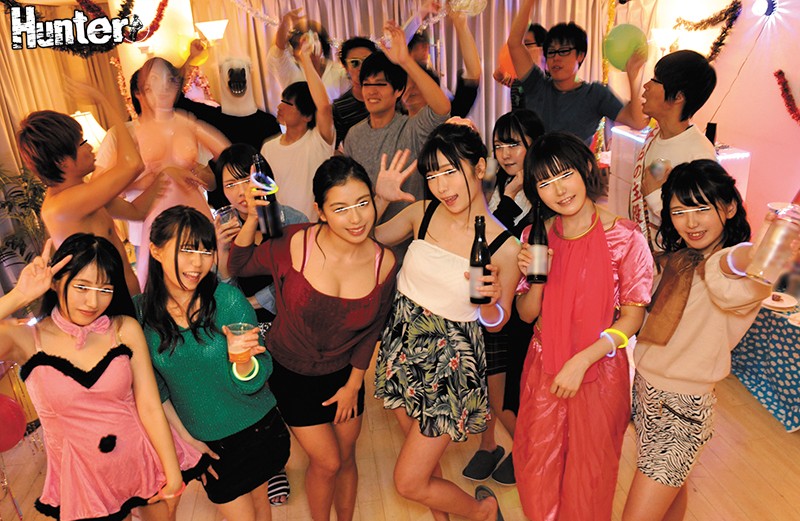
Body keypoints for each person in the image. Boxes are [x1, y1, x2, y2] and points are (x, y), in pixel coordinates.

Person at [227, 156, 398, 521]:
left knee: (347, 458)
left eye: (363, 203)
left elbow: (372, 330)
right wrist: (253, 218)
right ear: (320, 211)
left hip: (345, 376)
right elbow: (238, 266)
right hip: (290, 373)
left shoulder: (383, 262)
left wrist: (354, 385)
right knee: (328, 461)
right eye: (340, 208)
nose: (356, 218)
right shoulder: (294, 243)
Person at [372, 123, 521, 521]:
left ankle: (483, 511)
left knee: (408, 481)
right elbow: (363, 239)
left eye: (451, 171)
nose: (441, 186)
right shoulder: (421, 213)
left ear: (479, 167)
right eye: (433, 174)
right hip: (402, 348)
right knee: (420, 462)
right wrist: (380, 198)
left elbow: (497, 323)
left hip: (448, 367)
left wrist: (491, 301)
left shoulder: (505, 246)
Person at [0, 235, 205, 521]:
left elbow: (148, 405)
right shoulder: (26, 339)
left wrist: (173, 477)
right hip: (83, 480)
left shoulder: (123, 328)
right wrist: (20, 295)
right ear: (56, 281)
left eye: (105, 289)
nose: (93, 301)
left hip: (140, 461)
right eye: (82, 286)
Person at [622, 160, 776, 521]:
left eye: (702, 209)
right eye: (679, 212)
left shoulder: (743, 272)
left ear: (730, 207)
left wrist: (760, 250)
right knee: (671, 496)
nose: (690, 222)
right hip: (646, 392)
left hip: (682, 411)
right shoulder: (681, 259)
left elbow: (727, 277)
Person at [514, 133, 653, 521]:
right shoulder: (535, 237)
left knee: (590, 474)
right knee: (536, 465)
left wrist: (581, 361)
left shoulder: (625, 237)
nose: (559, 191)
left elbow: (633, 318)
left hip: (600, 371)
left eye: (565, 175)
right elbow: (526, 314)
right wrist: (537, 278)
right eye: (545, 182)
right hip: (543, 365)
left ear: (586, 169)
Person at [136, 206, 290, 521]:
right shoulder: (140, 314)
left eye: (206, 251)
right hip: (206, 444)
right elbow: (154, 390)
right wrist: (187, 440)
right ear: (156, 250)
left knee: (261, 509)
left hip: (258, 429)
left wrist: (241, 360)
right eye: (186, 250)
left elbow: (255, 379)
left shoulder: (227, 302)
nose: (198, 263)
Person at [95, 57, 231, 290]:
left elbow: (212, 181)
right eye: (153, 85)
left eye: (167, 83)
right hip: (150, 227)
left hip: (196, 219)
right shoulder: (121, 134)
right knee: (160, 292)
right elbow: (100, 191)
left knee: (208, 287)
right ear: (139, 93)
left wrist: (192, 170)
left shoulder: (185, 125)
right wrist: (145, 180)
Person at [461, 108, 545, 485]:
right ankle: (488, 444)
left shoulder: (541, 192)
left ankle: (526, 450)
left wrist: (508, 200)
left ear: (534, 144)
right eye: (499, 145)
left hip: (522, 306)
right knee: (487, 377)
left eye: (514, 144)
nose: (506, 153)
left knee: (507, 389)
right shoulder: (503, 183)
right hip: (494, 297)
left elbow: (504, 239)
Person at [17, 82, 147, 296]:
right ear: (62, 161)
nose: (90, 147)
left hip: (130, 299)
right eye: (82, 142)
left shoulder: (85, 193)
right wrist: (103, 100)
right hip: (108, 308)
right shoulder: (62, 206)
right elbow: (132, 164)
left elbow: (137, 211)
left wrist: (169, 174)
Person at [343, 21, 451, 223]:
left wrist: (405, 61)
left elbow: (442, 108)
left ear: (398, 91)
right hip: (365, 231)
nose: (372, 92)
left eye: (380, 84)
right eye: (367, 84)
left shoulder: (411, 128)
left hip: (410, 233)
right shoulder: (353, 135)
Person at [507, 0, 648, 144]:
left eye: (564, 51)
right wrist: (529, 3)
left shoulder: (595, 94)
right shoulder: (537, 85)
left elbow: (636, 122)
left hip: (576, 159)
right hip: (536, 159)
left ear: (580, 55)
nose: (556, 58)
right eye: (551, 52)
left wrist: (632, 76)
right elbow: (514, 43)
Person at [630, 50, 718, 253]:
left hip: (670, 262)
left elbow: (702, 223)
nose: (646, 86)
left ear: (678, 96)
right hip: (643, 256)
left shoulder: (699, 154)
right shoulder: (654, 135)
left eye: (655, 80)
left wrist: (655, 197)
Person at [262, 34, 336, 221]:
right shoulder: (268, 148)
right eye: (281, 101)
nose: (280, 107)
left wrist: (306, 61)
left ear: (307, 115)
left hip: (315, 228)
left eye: (287, 103)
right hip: (282, 230)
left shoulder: (318, 141)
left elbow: (324, 107)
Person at [401, 10, 481, 120]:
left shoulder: (447, 117)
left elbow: (473, 76)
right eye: (407, 84)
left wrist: (461, 25)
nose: (411, 89)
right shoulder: (393, 123)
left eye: (418, 83)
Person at [267, 8, 349, 102]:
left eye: (313, 41)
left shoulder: (337, 71)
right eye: (301, 45)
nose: (308, 48)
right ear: (294, 52)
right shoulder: (289, 70)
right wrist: (285, 24)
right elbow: (278, 50)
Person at [332, 37, 377, 146]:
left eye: (367, 61)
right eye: (355, 63)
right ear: (346, 67)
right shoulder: (340, 107)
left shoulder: (391, 96)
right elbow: (333, 147)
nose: (362, 68)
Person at [493, 23, 547, 110]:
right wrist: (505, 70)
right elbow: (496, 75)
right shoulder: (519, 72)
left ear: (540, 47)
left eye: (527, 44)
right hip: (516, 118)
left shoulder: (550, 77)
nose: (521, 49)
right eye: (520, 45)